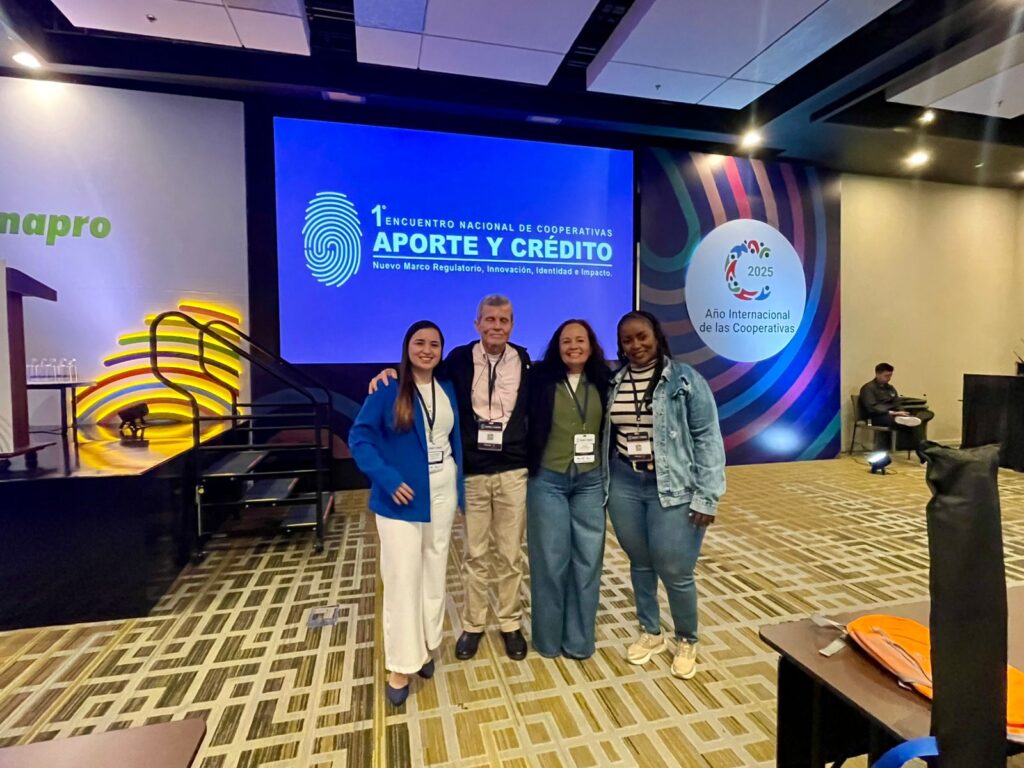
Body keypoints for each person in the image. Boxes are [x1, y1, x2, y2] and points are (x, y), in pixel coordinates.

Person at [369, 295, 531, 661]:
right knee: (475, 554)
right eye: (489, 319)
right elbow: (419, 373)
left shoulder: (524, 360)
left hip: (513, 471)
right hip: (472, 471)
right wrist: (388, 372)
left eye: (504, 320)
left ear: (512, 325)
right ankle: (473, 624)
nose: (496, 326)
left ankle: (509, 623)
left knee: (510, 554)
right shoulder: (457, 359)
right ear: (477, 324)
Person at [603, 310, 726, 680]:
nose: (635, 345)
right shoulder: (615, 382)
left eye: (641, 336)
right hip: (625, 484)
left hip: (672, 486)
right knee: (640, 563)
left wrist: (707, 496)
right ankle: (650, 631)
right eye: (627, 340)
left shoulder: (685, 379)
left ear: (656, 336)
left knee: (675, 568)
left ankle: (686, 638)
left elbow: (707, 438)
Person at [349, 321, 465, 707]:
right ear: (407, 346)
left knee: (434, 574)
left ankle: (426, 647)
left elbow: (452, 441)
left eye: (434, 344)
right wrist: (386, 478)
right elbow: (359, 438)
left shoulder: (446, 387)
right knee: (402, 579)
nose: (427, 350)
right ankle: (400, 664)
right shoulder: (388, 387)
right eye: (420, 343)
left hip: (442, 491)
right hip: (400, 497)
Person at [525, 319, 612, 659]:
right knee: (550, 560)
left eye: (580, 340)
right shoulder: (539, 379)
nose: (573, 346)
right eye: (566, 341)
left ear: (591, 345)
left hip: (590, 481)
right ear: (557, 346)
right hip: (548, 480)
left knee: (588, 561)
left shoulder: (606, 380)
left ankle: (579, 641)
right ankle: (548, 640)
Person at [858, 362, 934, 435]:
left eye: (890, 375)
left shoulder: (890, 388)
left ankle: (914, 419)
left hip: (895, 414)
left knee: (927, 413)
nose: (889, 378)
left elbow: (897, 403)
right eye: (886, 376)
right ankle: (906, 422)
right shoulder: (868, 388)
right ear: (877, 374)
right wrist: (893, 413)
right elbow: (872, 408)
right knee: (900, 422)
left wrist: (902, 412)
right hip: (877, 416)